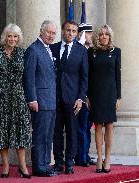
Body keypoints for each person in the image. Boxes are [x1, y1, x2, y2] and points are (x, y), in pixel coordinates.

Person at [0, 23, 32, 178]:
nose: (12, 39)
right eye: (10, 36)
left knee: (21, 131)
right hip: (0, 96)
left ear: (19, 38)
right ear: (5, 37)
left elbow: (27, 78)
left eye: (15, 36)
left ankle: (22, 165)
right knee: (2, 131)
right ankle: (5, 165)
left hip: (18, 96)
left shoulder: (22, 54)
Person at [50, 20, 88, 174]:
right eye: (68, 30)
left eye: (73, 31)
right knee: (56, 132)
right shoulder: (52, 48)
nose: (70, 33)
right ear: (63, 31)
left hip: (73, 99)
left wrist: (81, 98)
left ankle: (70, 163)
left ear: (77, 33)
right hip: (54, 97)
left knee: (72, 132)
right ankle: (58, 163)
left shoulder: (82, 51)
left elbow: (85, 77)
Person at [24, 20, 58, 177]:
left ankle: (45, 164)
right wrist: (32, 99)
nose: (51, 36)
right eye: (49, 32)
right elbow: (29, 77)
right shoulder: (33, 50)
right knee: (40, 135)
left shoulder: (48, 49)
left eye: (53, 33)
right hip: (40, 101)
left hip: (50, 100)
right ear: (41, 32)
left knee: (48, 135)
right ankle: (39, 167)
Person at [88, 24, 121, 173]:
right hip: (95, 93)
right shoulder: (91, 52)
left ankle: (108, 158)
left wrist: (118, 97)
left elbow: (118, 76)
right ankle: (99, 158)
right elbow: (87, 76)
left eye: (107, 35)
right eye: (101, 35)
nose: (104, 37)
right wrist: (87, 96)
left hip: (110, 93)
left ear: (110, 37)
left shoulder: (116, 52)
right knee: (98, 126)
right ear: (97, 37)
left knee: (109, 125)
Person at [75, 23, 96, 167]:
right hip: (81, 96)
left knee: (87, 127)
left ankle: (86, 154)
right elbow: (80, 76)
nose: (90, 36)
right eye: (87, 33)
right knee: (81, 127)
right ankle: (80, 157)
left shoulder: (91, 50)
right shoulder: (79, 50)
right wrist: (84, 96)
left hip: (90, 96)